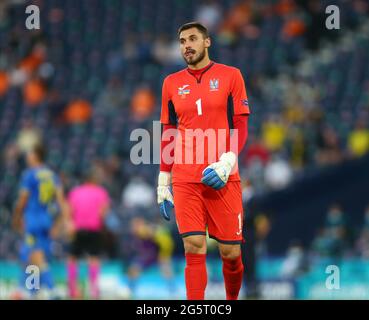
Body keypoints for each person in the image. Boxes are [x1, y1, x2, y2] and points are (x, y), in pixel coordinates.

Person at [157, 22, 250, 300]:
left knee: (230, 253)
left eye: (193, 39)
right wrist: (164, 179)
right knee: (193, 246)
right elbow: (168, 132)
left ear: (207, 42)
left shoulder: (231, 76)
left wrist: (228, 160)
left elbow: (241, 124)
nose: (187, 45)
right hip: (186, 176)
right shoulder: (171, 83)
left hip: (223, 175)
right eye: (182, 40)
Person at [12, 144, 67, 299]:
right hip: (46, 220)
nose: (27, 157)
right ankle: (34, 291)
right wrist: (59, 222)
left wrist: (17, 217)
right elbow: (61, 201)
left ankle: (50, 290)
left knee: (32, 255)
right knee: (36, 255)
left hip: (33, 219)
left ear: (36, 155)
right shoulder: (52, 175)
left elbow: (23, 199)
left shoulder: (30, 174)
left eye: (29, 154)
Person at [66, 170, 110, 299]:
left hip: (78, 229)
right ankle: (94, 290)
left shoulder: (75, 192)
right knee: (94, 259)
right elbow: (103, 212)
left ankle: (73, 290)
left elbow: (70, 210)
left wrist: (70, 225)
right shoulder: (101, 192)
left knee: (73, 258)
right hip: (94, 229)